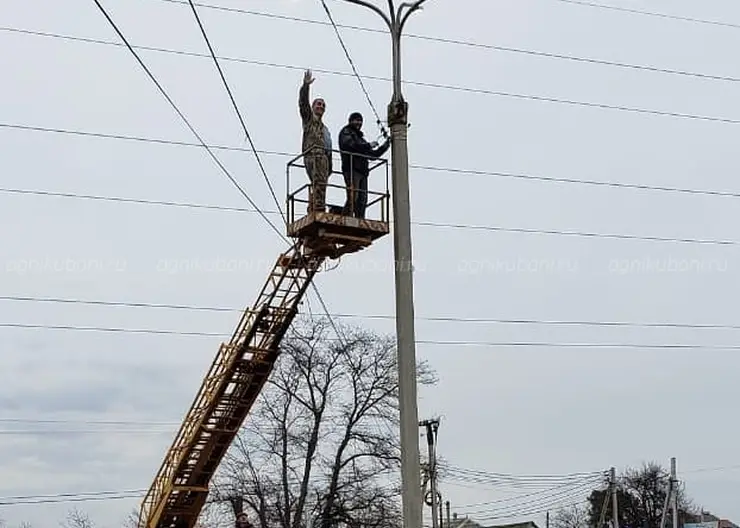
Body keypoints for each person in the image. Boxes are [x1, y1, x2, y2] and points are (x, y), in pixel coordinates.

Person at [338, 112, 390, 218]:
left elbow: (372, 155)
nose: (358, 123)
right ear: (350, 121)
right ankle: (344, 218)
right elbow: (350, 145)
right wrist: (367, 145)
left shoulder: (360, 139)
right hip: (351, 169)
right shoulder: (346, 132)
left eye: (360, 121)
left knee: (362, 200)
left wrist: (386, 145)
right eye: (356, 120)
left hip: (362, 171)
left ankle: (360, 220)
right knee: (353, 197)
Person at [299, 69, 333, 214]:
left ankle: (317, 205)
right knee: (318, 183)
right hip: (312, 155)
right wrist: (305, 86)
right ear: (313, 107)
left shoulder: (324, 128)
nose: (321, 107)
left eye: (323, 105)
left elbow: (329, 147)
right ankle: (318, 208)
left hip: (323, 159)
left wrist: (330, 164)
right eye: (318, 104)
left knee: (321, 184)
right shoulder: (309, 120)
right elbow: (303, 104)